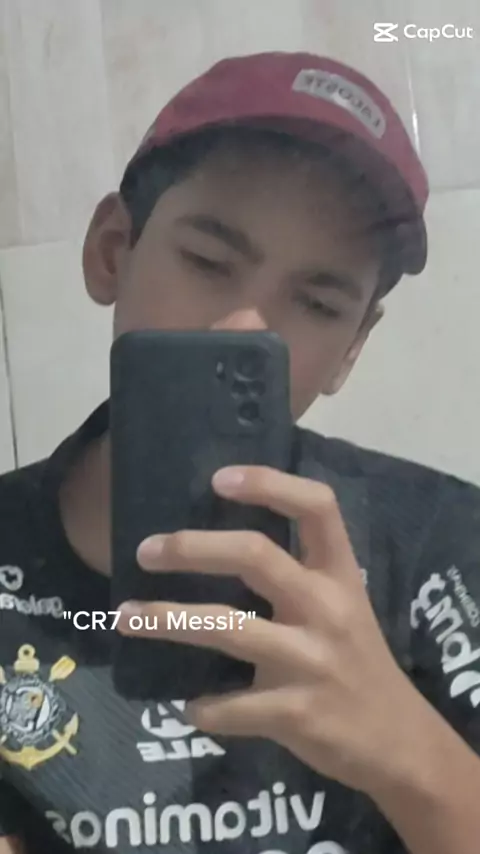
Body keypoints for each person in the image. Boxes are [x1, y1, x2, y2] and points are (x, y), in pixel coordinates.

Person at [0, 50, 479, 854]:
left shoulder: (441, 546)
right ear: (112, 250)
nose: (246, 328)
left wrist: (409, 755)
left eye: (317, 303)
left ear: (352, 348)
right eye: (208, 262)